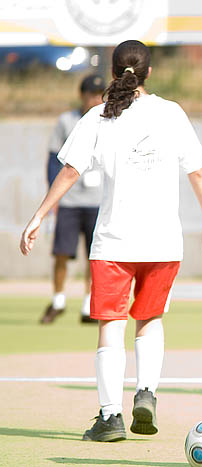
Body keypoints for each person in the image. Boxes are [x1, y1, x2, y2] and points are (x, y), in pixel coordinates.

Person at [20, 40, 202, 443]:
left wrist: (39, 215)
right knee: (149, 319)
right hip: (164, 241)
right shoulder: (171, 113)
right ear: (149, 72)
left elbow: (70, 171)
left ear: (114, 72)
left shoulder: (99, 116)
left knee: (110, 325)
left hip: (115, 241)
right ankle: (146, 392)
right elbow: (196, 173)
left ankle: (110, 416)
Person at [41, 73, 106, 325]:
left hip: (97, 200)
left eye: (99, 95)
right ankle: (58, 300)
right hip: (69, 200)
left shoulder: (110, 120)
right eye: (91, 94)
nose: (95, 99)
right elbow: (52, 160)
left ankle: (88, 305)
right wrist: (52, 197)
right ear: (82, 95)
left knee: (95, 256)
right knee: (61, 252)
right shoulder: (67, 121)